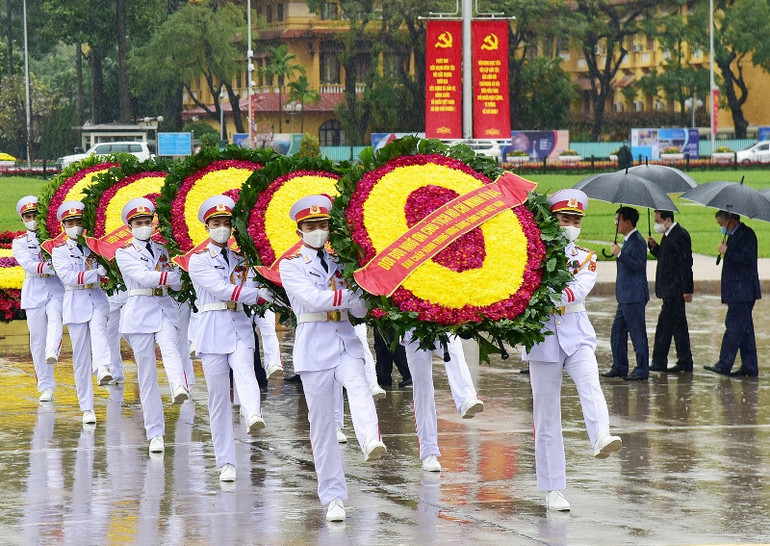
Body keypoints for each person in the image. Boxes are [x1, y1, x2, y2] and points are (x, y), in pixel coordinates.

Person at [279, 194, 386, 522]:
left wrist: (367, 283)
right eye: (311, 226)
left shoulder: (344, 261)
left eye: (322, 225)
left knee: (359, 385)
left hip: (345, 340)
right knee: (322, 426)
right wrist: (356, 290)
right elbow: (313, 299)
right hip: (313, 347)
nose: (318, 231)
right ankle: (333, 497)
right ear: (299, 230)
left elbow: (360, 310)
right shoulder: (291, 265)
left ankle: (370, 439)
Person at [523, 189, 622, 511]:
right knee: (546, 416)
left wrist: (545, 292)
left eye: (576, 221)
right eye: (565, 219)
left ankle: (601, 435)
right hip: (543, 339)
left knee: (590, 383)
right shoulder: (531, 253)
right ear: (552, 219)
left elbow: (578, 290)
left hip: (576, 334)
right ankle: (553, 489)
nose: (571, 226)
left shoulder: (585, 257)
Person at [188, 195, 271, 482]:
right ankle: (225, 462)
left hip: (238, 324)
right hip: (212, 328)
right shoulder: (198, 260)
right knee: (218, 398)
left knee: (246, 369)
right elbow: (220, 289)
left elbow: (254, 282)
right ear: (207, 226)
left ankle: (252, 413)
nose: (222, 228)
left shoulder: (241, 259)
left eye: (226, 223)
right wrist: (256, 294)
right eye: (217, 223)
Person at [114, 198, 190, 454]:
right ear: (130, 226)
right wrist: (171, 277)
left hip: (164, 308)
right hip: (139, 314)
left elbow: (180, 282)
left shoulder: (163, 250)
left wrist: (173, 278)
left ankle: (178, 386)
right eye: (139, 223)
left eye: (148, 222)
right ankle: (155, 433)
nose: (144, 226)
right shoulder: (124, 253)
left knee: (170, 347)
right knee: (147, 376)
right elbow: (144, 277)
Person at [50, 201, 113, 425]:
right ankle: (87, 407)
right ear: (63, 226)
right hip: (75, 302)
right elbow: (68, 277)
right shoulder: (59, 251)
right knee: (81, 357)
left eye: (78, 222)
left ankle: (102, 367)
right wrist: (96, 273)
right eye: (70, 223)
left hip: (96, 298)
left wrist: (107, 272)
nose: (75, 226)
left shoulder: (95, 246)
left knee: (99, 331)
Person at [402, 334, 483, 472]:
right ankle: (428, 452)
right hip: (413, 331)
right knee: (422, 388)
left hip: (443, 326)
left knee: (453, 349)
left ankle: (466, 398)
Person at [11, 196, 64, 403]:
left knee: (55, 319)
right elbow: (30, 265)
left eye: (35, 215)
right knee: (37, 341)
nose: (32, 220)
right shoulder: (19, 242)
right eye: (28, 217)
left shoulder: (55, 238)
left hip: (55, 289)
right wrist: (56, 267)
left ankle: (53, 349)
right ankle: (46, 386)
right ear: (23, 219)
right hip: (34, 291)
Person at [704, 211, 760, 377]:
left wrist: (727, 251)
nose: (722, 228)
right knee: (744, 330)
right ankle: (749, 367)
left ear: (731, 221)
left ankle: (724, 364)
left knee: (733, 327)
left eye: (722, 224)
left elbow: (748, 260)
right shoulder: (734, 235)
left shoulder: (747, 235)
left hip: (743, 291)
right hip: (737, 291)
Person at [602, 206, 649, 381]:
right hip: (625, 297)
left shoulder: (637, 241)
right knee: (617, 332)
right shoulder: (628, 240)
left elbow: (638, 265)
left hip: (634, 296)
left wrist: (620, 254)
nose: (616, 223)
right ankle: (619, 366)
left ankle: (642, 369)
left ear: (628, 222)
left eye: (618, 220)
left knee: (637, 334)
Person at [646, 210, 694, 373]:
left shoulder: (679, 235)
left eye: (658, 221)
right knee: (678, 326)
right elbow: (667, 257)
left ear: (667, 220)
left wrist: (687, 289)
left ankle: (660, 361)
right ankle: (684, 361)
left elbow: (685, 263)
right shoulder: (668, 235)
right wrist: (655, 248)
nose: (656, 225)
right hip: (670, 289)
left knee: (664, 326)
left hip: (675, 290)